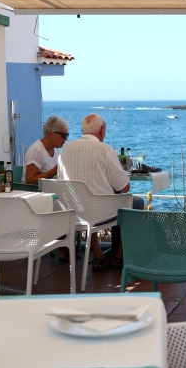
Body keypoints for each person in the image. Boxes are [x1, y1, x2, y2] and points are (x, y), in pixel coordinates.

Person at [58, 114, 143, 269]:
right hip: (99, 212)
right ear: (102, 130)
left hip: (71, 211)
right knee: (136, 202)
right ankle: (120, 255)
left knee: (89, 197)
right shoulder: (104, 149)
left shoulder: (66, 148)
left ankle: (97, 252)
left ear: (82, 130)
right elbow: (124, 187)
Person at [24, 116, 69, 184]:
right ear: (51, 133)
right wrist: (54, 171)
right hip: (35, 192)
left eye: (67, 135)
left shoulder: (55, 149)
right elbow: (30, 180)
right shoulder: (37, 151)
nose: (66, 138)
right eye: (63, 135)